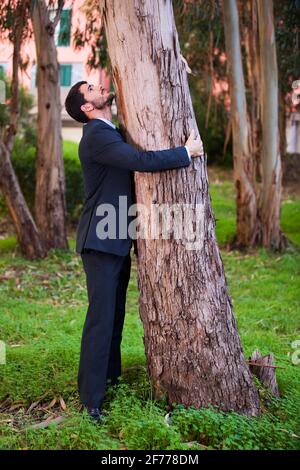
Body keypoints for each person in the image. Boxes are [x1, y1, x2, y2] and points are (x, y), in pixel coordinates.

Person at [64, 81, 202, 422]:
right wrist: (186, 152)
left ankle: (110, 381)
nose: (100, 86)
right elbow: (139, 160)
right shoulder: (96, 135)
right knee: (101, 319)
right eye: (91, 88)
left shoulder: (110, 130)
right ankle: (91, 400)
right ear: (87, 106)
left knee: (112, 318)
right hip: (100, 241)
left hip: (115, 238)